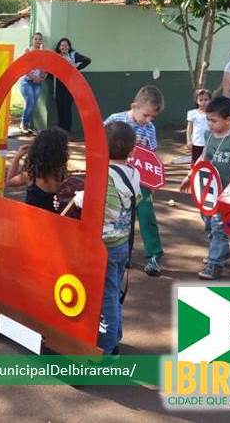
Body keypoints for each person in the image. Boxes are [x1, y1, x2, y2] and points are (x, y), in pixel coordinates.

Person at [180, 97, 230, 280]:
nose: (209, 124)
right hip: (208, 191)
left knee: (219, 227)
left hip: (227, 194)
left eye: (213, 121)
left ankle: (215, 263)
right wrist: (190, 176)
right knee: (209, 224)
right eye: (208, 120)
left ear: (228, 120)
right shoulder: (208, 136)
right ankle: (222, 251)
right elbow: (204, 157)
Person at [105, 85, 165, 276]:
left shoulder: (149, 129)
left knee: (146, 214)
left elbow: (152, 154)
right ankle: (125, 254)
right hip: (114, 178)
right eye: (146, 115)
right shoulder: (115, 120)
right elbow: (100, 140)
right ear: (134, 105)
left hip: (139, 180)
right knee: (118, 215)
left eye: (152, 118)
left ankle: (154, 256)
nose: (148, 120)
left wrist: (154, 179)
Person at [95, 121, 140, 355]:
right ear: (131, 150)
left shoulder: (106, 176)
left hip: (105, 245)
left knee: (108, 295)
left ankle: (107, 345)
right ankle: (116, 335)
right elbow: (137, 200)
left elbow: (107, 209)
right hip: (123, 243)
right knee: (114, 291)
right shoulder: (133, 173)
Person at [4, 127, 70, 212]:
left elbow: (9, 182)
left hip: (33, 221)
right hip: (54, 221)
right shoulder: (62, 175)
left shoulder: (31, 176)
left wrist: (17, 157)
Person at [53, 37, 92, 132]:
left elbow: (87, 60)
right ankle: (60, 127)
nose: (64, 47)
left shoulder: (73, 55)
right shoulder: (56, 56)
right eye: (62, 45)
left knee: (67, 106)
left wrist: (76, 67)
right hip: (59, 83)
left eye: (66, 45)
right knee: (60, 105)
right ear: (59, 47)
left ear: (69, 47)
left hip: (70, 84)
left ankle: (67, 128)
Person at [19, 32, 47, 134]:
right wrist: (33, 77)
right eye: (35, 39)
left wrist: (41, 78)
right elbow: (24, 67)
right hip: (27, 81)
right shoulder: (28, 51)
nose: (38, 41)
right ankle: (23, 124)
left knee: (32, 104)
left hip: (38, 83)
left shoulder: (43, 54)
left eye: (40, 39)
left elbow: (45, 69)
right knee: (30, 101)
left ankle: (27, 125)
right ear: (32, 40)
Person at [186, 89, 211, 166]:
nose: (203, 102)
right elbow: (189, 128)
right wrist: (189, 140)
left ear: (210, 100)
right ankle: (193, 176)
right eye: (201, 100)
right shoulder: (192, 113)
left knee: (208, 162)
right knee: (195, 162)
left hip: (209, 143)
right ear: (196, 101)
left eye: (206, 100)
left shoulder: (213, 113)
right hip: (196, 143)